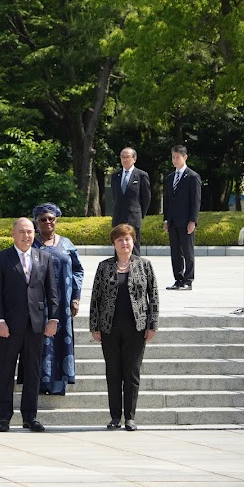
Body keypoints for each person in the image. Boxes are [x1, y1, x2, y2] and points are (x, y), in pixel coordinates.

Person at [0, 218, 59, 433]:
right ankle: (4, 417)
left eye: (30, 231)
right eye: (22, 231)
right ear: (13, 234)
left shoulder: (44, 258)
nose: (26, 235)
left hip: (36, 326)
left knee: (32, 372)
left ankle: (30, 417)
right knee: (6, 372)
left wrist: (53, 319)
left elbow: (52, 291)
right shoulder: (1, 258)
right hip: (9, 326)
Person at [90, 224, 159, 431]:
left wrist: (152, 324)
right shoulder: (104, 267)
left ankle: (130, 417)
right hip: (109, 327)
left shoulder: (144, 265)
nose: (124, 243)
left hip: (136, 327)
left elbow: (153, 296)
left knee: (132, 372)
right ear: (114, 244)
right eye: (120, 240)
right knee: (113, 372)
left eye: (127, 239)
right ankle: (114, 417)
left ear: (133, 241)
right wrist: (94, 325)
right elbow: (96, 298)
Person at [31, 203, 84, 395]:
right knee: (40, 343)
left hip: (63, 303)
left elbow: (77, 270)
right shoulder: (31, 244)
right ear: (36, 222)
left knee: (61, 341)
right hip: (38, 303)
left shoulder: (67, 244)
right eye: (42, 219)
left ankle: (58, 384)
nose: (47, 222)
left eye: (51, 219)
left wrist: (75, 297)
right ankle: (39, 383)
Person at [163, 145, 201, 290]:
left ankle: (188, 280)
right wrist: (166, 219)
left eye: (177, 157)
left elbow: (196, 201)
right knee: (175, 253)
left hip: (186, 221)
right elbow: (167, 200)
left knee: (187, 252)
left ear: (185, 157)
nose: (175, 160)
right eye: (173, 157)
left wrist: (193, 220)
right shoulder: (170, 177)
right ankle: (178, 279)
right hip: (172, 221)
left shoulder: (193, 177)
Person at [110, 147, 152, 254]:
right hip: (119, 216)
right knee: (118, 247)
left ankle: (136, 270)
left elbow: (146, 198)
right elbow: (115, 196)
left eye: (127, 157)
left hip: (133, 217)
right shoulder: (115, 176)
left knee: (134, 248)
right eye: (122, 157)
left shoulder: (141, 175)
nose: (124, 159)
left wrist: (139, 213)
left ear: (134, 159)